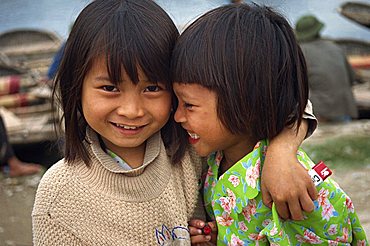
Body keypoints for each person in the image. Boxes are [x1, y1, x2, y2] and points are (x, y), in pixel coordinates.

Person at [33, 0, 318, 244]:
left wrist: (282, 151)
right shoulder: (58, 196)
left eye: (152, 88)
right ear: (75, 86)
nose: (131, 110)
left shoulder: (191, 147)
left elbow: (286, 102)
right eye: (110, 88)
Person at [172, 3, 368, 244]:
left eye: (189, 105)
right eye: (176, 102)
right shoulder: (217, 161)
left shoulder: (294, 190)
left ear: (244, 101)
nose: (177, 116)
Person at [295, 15, 358, 122]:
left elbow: (294, 87)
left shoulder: (300, 52)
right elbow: (352, 78)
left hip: (320, 113)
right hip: (345, 109)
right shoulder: (335, 47)